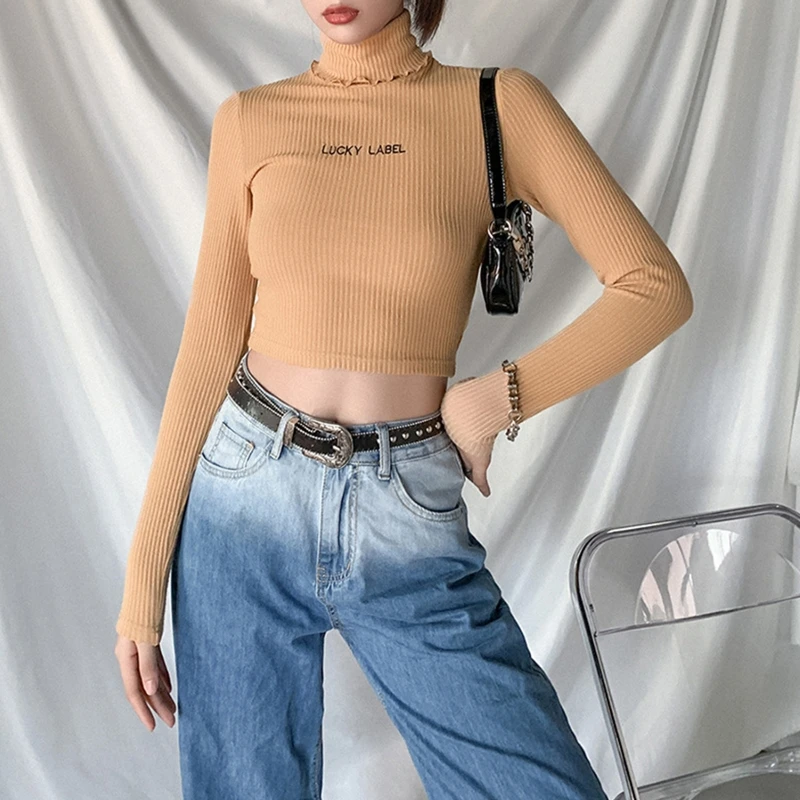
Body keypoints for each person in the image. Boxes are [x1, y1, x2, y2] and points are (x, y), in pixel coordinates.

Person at [114, 1, 693, 797]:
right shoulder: (250, 120)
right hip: (243, 503)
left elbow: (654, 288)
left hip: (405, 510)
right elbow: (207, 349)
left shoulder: (498, 107)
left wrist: (495, 400)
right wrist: (142, 584)